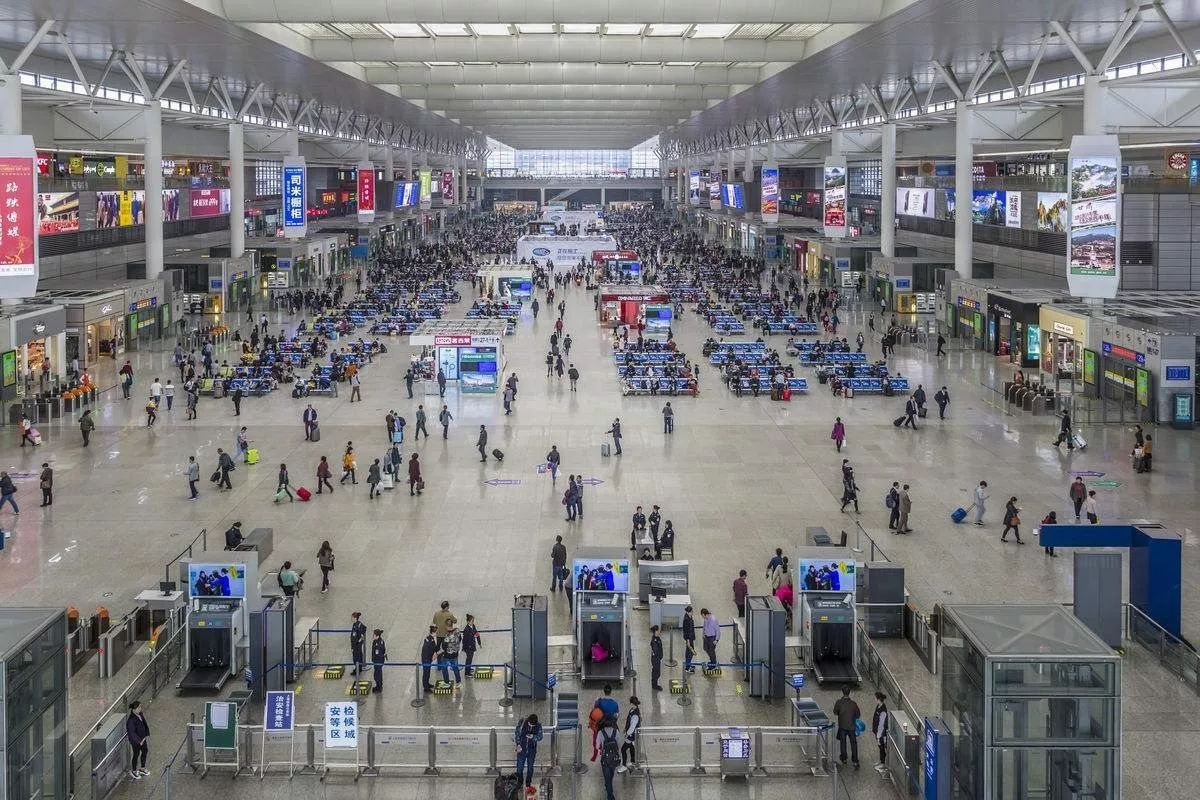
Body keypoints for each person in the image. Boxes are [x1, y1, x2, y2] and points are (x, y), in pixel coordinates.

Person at [833, 686, 862, 768]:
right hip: (852, 727)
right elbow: (858, 715)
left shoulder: (839, 702)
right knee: (853, 744)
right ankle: (855, 761)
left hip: (842, 726)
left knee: (843, 742)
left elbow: (835, 712)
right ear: (849, 693)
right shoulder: (853, 703)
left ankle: (844, 758)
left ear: (842, 692)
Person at [514, 714, 543, 789]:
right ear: (528, 720)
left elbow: (540, 737)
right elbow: (517, 734)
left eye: (533, 725)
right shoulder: (522, 722)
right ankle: (519, 782)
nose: (531, 726)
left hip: (531, 750)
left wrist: (533, 737)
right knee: (520, 767)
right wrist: (518, 745)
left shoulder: (538, 725)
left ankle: (528, 782)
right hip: (522, 749)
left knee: (530, 767)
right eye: (530, 724)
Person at [596, 712, 621, 800]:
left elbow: (597, 746)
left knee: (607, 777)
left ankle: (610, 796)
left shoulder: (600, 733)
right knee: (611, 774)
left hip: (605, 758)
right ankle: (608, 788)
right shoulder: (616, 731)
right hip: (614, 757)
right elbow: (619, 745)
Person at [126, 701, 150, 779]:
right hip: (136, 741)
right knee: (136, 754)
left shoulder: (140, 714)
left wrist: (146, 734)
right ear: (134, 709)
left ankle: (142, 768)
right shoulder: (131, 720)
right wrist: (139, 741)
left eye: (140, 707)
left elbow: (144, 724)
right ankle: (133, 770)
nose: (140, 709)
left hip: (143, 738)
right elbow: (132, 733)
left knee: (145, 751)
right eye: (139, 707)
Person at [619, 697, 642, 773]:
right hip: (631, 734)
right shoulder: (634, 710)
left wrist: (627, 733)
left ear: (632, 703)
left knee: (623, 749)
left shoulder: (635, 715)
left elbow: (632, 727)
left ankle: (624, 765)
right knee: (632, 747)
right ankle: (633, 761)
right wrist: (626, 729)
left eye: (630, 703)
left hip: (631, 735)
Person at [440, 624, 463, 688]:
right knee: (455, 668)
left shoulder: (447, 637)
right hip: (455, 655)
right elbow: (460, 639)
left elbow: (443, 647)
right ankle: (459, 682)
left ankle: (447, 682)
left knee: (444, 668)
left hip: (447, 656)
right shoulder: (457, 633)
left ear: (447, 627)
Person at [871, 692, 889, 773]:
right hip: (877, 732)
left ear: (878, 699)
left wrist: (878, 736)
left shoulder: (883, 711)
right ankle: (881, 761)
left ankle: (883, 764)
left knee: (882, 748)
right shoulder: (878, 706)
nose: (874, 700)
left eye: (875, 698)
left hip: (881, 734)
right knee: (880, 747)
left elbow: (881, 725)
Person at [419, 626, 438, 691]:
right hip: (426, 659)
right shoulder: (431, 641)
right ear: (434, 632)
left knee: (427, 672)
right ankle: (426, 688)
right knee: (426, 673)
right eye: (436, 632)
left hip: (426, 658)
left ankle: (427, 684)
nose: (436, 633)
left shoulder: (428, 638)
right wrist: (435, 654)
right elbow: (433, 649)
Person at [370, 629, 386, 693]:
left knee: (377, 675)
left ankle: (379, 687)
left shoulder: (379, 644)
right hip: (376, 661)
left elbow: (378, 654)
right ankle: (378, 686)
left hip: (378, 661)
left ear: (377, 636)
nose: (373, 636)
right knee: (376, 674)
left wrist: (375, 660)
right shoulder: (376, 641)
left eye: (374, 635)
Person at [681, 605, 696, 673]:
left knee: (689, 652)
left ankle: (688, 664)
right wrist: (688, 641)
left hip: (691, 638)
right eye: (691, 611)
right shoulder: (686, 620)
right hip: (689, 639)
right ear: (688, 612)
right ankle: (687, 668)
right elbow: (686, 631)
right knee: (690, 652)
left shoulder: (689, 617)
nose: (692, 612)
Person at [649, 626, 663, 691]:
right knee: (656, 673)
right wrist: (659, 656)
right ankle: (654, 685)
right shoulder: (654, 641)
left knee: (656, 672)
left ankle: (654, 684)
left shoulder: (657, 638)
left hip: (657, 658)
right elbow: (656, 650)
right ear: (656, 631)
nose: (660, 631)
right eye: (659, 630)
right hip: (655, 659)